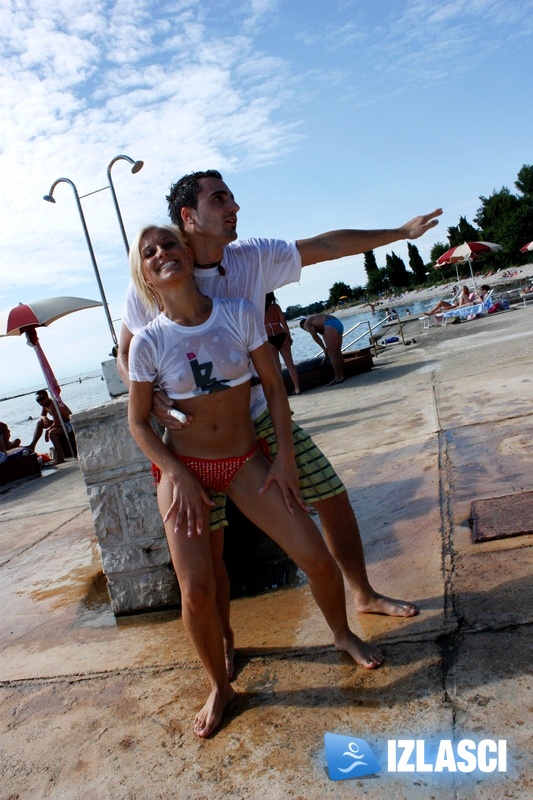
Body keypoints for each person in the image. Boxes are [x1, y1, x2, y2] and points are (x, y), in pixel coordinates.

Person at [118, 170, 440, 665]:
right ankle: (224, 644)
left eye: (231, 197)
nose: (234, 207)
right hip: (193, 438)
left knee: (328, 493)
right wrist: (155, 402)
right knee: (211, 558)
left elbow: (327, 244)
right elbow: (128, 354)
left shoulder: (250, 258)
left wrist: (400, 233)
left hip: (259, 419)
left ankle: (363, 595)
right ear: (190, 216)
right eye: (219, 198)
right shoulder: (157, 273)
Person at [127, 225, 384, 737]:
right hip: (184, 470)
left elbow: (273, 386)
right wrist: (175, 472)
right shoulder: (149, 343)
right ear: (144, 273)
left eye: (169, 244)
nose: (161, 254)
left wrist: (283, 458)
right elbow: (138, 423)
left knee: (315, 557)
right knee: (197, 590)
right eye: (149, 252)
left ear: (186, 251)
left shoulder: (238, 315)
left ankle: (341, 633)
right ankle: (220, 685)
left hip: (244, 461)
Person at [264, 292, 301, 395]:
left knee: (277, 368)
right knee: (290, 364)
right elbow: (284, 324)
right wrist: (289, 337)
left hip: (269, 338)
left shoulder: (259, 309)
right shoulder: (276, 307)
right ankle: (297, 388)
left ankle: (282, 393)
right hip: (281, 335)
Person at [299, 313, 345, 385]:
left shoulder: (307, 323)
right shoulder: (317, 321)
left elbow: (315, 336)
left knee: (332, 354)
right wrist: (326, 353)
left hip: (329, 324)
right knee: (338, 352)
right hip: (337, 322)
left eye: (306, 330)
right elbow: (325, 337)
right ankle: (342, 375)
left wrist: (324, 349)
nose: (308, 331)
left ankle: (337, 378)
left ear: (303, 326)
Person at [28, 390, 73, 464]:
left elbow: (57, 423)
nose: (40, 402)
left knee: (52, 433)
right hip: (61, 423)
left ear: (47, 397)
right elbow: (42, 415)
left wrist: (47, 431)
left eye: (42, 399)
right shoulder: (45, 405)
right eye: (38, 400)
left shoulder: (52, 404)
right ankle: (32, 445)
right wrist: (44, 418)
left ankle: (60, 457)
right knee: (40, 423)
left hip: (70, 423)